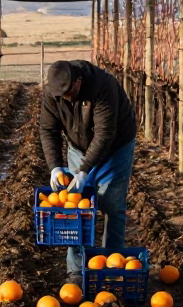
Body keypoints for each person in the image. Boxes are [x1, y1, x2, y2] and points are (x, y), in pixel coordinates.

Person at [39, 59, 137, 279]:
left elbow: (104, 134)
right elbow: (47, 129)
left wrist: (84, 171)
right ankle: (76, 268)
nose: (64, 98)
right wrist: (55, 167)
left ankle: (111, 266)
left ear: (78, 81)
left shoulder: (104, 86)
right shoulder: (53, 93)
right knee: (76, 208)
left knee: (111, 204)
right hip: (78, 147)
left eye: (68, 93)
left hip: (115, 147)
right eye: (59, 95)